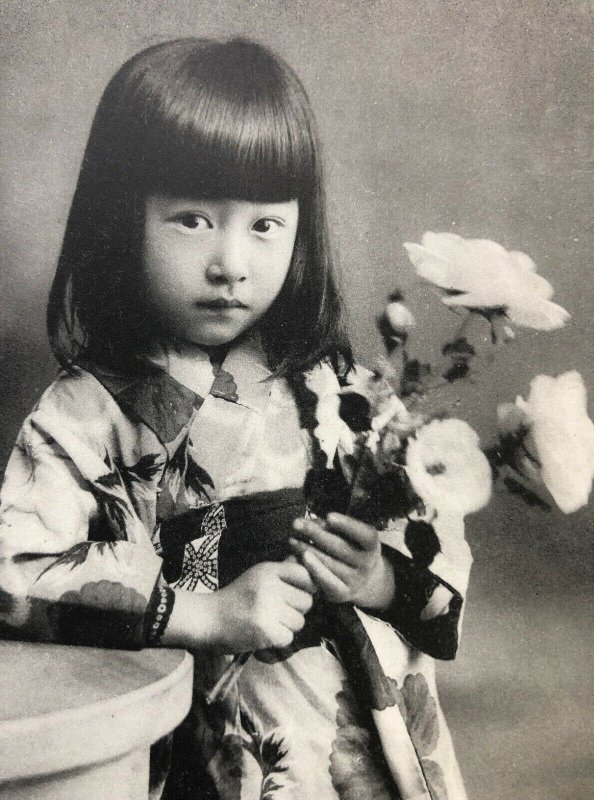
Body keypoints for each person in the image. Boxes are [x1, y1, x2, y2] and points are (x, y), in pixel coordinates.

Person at [0, 38, 473, 799]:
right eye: (191, 220)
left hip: (355, 726)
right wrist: (204, 614)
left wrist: (380, 576)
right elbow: (15, 569)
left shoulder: (337, 391)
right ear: (124, 219)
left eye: (264, 225)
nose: (231, 262)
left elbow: (432, 535)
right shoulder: (86, 411)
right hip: (211, 735)